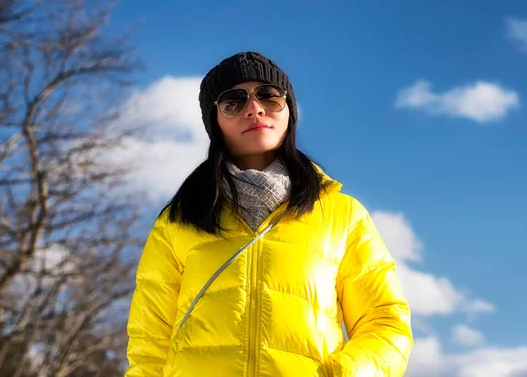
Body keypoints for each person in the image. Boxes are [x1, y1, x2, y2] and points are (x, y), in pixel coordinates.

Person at [125, 51, 414, 377]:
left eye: (269, 96)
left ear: (289, 111)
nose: (255, 108)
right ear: (214, 121)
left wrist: (343, 374)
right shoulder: (178, 221)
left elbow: (385, 322)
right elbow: (149, 344)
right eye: (233, 101)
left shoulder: (342, 215)